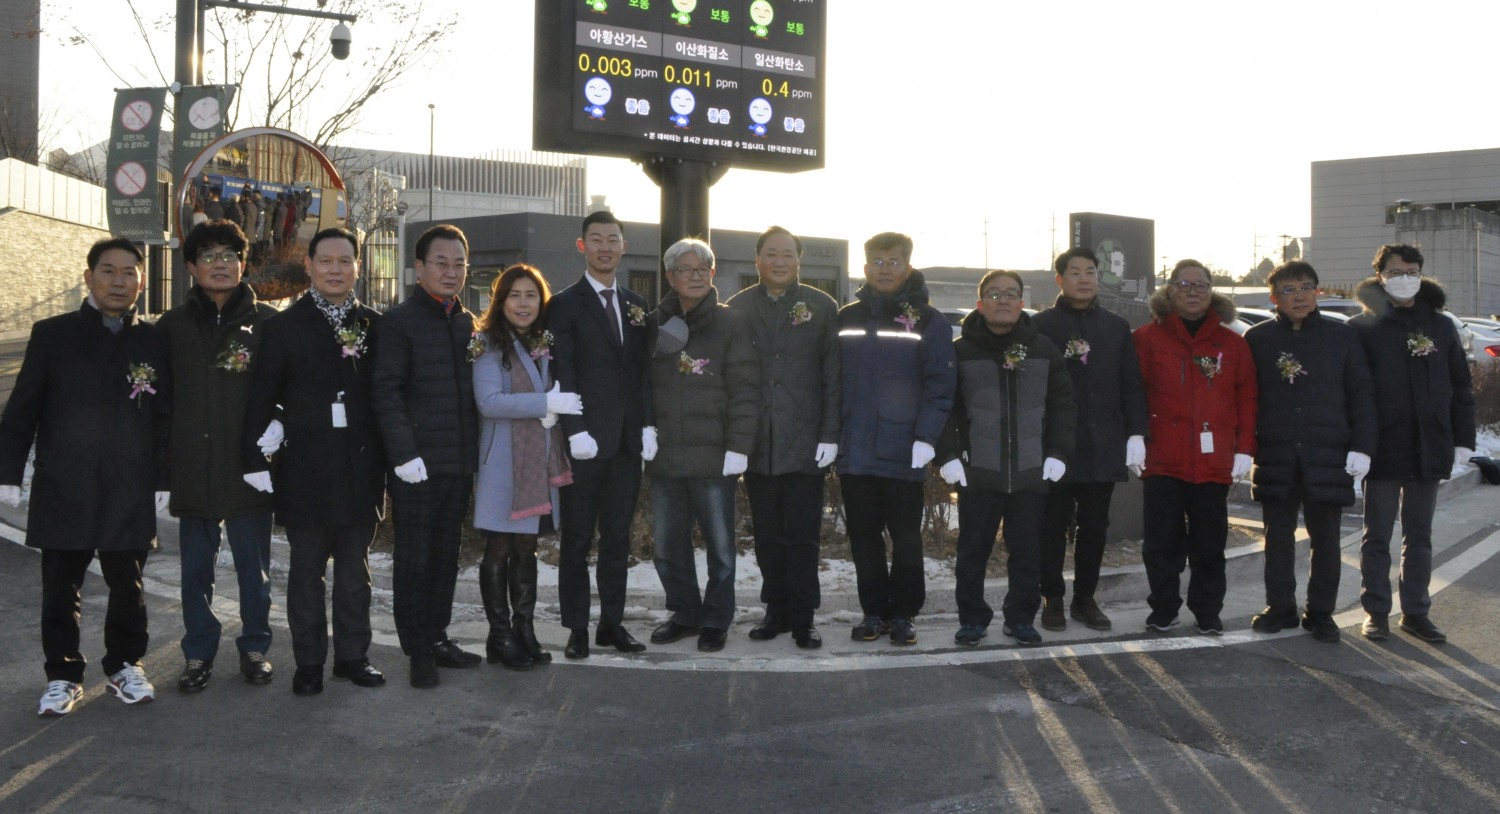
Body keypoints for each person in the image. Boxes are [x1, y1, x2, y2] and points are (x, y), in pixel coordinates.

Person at [0, 237, 168, 715]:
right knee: (60, 587)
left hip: (129, 484)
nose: (119, 281)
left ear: (141, 280)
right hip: (65, 484)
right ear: (89, 276)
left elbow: (164, 415)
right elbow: (23, 407)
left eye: (129, 272)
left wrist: (163, 477)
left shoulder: (152, 340)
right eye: (109, 271)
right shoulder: (52, 334)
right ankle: (62, 675)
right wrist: (7, 470)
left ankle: (125, 665)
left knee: (128, 585)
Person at [239, 227, 388, 695]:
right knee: (305, 572)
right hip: (305, 470)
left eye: (345, 261)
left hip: (360, 469)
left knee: (353, 573)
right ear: (309, 265)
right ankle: (308, 663)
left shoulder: (375, 326)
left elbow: (386, 398)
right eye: (326, 261)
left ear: (358, 267)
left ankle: (353, 656)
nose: (335, 269)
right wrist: (254, 459)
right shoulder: (282, 327)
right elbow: (261, 396)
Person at [158, 220, 278, 693]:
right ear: (191, 267)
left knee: (255, 568)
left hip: (249, 469)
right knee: (195, 571)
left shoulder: (268, 323)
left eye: (230, 255)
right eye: (209, 256)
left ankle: (254, 647)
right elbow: (161, 401)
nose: (221, 264)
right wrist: (162, 470)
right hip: (192, 467)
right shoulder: (171, 326)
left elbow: (283, 391)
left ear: (244, 263)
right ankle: (198, 653)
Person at [371, 224, 484, 688]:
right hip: (415, 466)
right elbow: (386, 391)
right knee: (413, 558)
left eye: (459, 264)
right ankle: (417, 648)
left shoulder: (468, 322)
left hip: (458, 462)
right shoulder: (399, 322)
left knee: (445, 556)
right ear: (419, 268)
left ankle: (437, 637)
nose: (451, 271)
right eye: (441, 262)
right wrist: (403, 454)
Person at [938, 271, 1075, 646]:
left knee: (1028, 550)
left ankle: (1020, 618)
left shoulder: (1043, 348)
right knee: (972, 551)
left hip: (1031, 470)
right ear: (980, 304)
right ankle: (972, 618)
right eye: (994, 294)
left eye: (1011, 294)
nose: (1003, 300)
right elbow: (945, 408)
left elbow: (1063, 405)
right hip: (978, 471)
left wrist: (1059, 452)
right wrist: (947, 454)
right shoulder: (960, 350)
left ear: (1022, 302)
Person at [1349, 244, 1476, 644]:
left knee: (1419, 536)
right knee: (1377, 535)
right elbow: (1355, 392)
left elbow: (1460, 385)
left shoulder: (1439, 325)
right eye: (1397, 271)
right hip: (1382, 446)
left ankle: (1416, 611)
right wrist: (1357, 444)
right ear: (1380, 275)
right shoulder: (1362, 328)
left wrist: (1462, 439)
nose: (1406, 277)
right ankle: (1376, 612)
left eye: (1413, 270)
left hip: (1429, 443)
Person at [1244, 260, 1376, 644]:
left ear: (1317, 292)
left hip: (1328, 451)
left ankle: (1320, 612)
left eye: (1306, 287)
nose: (1298, 295)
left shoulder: (1341, 336)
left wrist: (1362, 447)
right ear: (1274, 298)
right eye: (1288, 289)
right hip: (1277, 452)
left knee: (1327, 540)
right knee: (1278, 538)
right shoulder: (1258, 339)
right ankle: (1280, 607)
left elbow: (1362, 394)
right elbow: (1246, 396)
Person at [837, 232, 956, 646]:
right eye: (877, 262)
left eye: (893, 262)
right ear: (866, 267)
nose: (884, 269)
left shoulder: (928, 320)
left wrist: (927, 437)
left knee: (906, 538)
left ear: (907, 265)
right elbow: (832, 380)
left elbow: (940, 384)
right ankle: (874, 612)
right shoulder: (847, 317)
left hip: (902, 449)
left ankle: (904, 614)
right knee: (864, 537)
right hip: (854, 450)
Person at [726, 226, 841, 649]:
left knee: (804, 535)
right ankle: (774, 609)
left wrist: (830, 433)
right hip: (758, 442)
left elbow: (833, 375)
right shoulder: (737, 307)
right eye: (770, 254)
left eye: (787, 254)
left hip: (805, 440)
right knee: (767, 533)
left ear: (799, 260)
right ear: (757, 260)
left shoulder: (821, 305)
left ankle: (804, 615)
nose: (779, 261)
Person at [645, 238, 759, 653]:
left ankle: (715, 620)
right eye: (685, 270)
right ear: (671, 277)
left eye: (701, 269)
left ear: (712, 274)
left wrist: (739, 445)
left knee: (722, 550)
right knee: (667, 547)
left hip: (714, 455)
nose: (694, 277)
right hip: (666, 456)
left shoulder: (731, 323)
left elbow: (746, 389)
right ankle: (684, 613)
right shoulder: (653, 322)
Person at [548, 211, 654, 659]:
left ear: (623, 246)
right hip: (585, 442)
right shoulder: (564, 304)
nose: (605, 247)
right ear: (582, 246)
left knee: (616, 539)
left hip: (627, 445)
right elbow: (563, 369)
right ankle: (576, 628)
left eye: (613, 239)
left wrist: (648, 424)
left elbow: (642, 373)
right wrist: (576, 431)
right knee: (575, 540)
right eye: (596, 239)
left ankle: (612, 623)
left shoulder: (636, 304)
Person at [1133, 259, 1256, 636]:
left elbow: (1247, 398)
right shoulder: (1147, 339)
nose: (1192, 291)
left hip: (1213, 461)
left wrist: (1244, 449)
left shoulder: (1232, 344)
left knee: (1209, 545)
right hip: (1163, 460)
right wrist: (1135, 436)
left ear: (1211, 291)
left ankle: (1207, 610)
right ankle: (1164, 608)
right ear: (1169, 290)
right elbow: (1133, 394)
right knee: (1161, 544)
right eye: (1184, 284)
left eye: (1200, 284)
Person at [471, 264, 581, 670]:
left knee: (526, 548)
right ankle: (499, 636)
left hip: (536, 457)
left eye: (531, 295)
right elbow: (490, 403)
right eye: (515, 295)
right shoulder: (486, 344)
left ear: (541, 301)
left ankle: (525, 629)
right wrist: (544, 405)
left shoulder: (543, 343)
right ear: (501, 300)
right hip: (503, 461)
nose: (523, 303)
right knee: (499, 546)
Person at [1031, 247, 1147, 632]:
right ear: (1060, 279)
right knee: (1051, 526)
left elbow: (1131, 384)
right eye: (1075, 272)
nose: (1084, 279)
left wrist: (1136, 433)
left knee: (1095, 526)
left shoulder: (1115, 327)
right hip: (1055, 447)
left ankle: (1085, 599)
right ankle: (1052, 599)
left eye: (1091, 272)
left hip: (1102, 443)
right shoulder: (1041, 325)